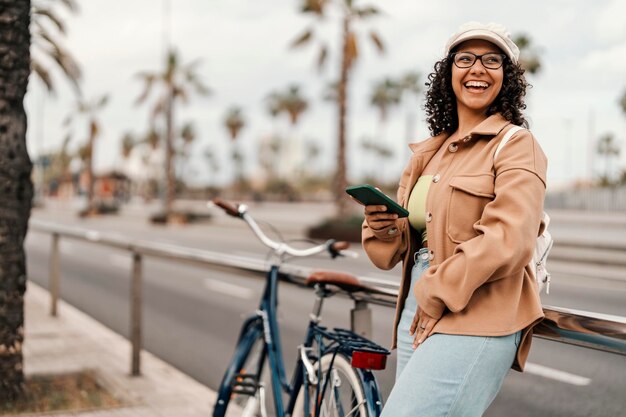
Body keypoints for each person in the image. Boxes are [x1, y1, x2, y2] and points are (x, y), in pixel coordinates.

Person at [361, 22, 547, 416]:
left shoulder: (516, 145)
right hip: (417, 306)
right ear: (448, 74)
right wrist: (381, 226)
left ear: (507, 78)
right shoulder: (428, 153)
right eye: (465, 58)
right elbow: (389, 253)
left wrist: (435, 292)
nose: (477, 68)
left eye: (492, 60)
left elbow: (508, 240)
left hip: (479, 311)